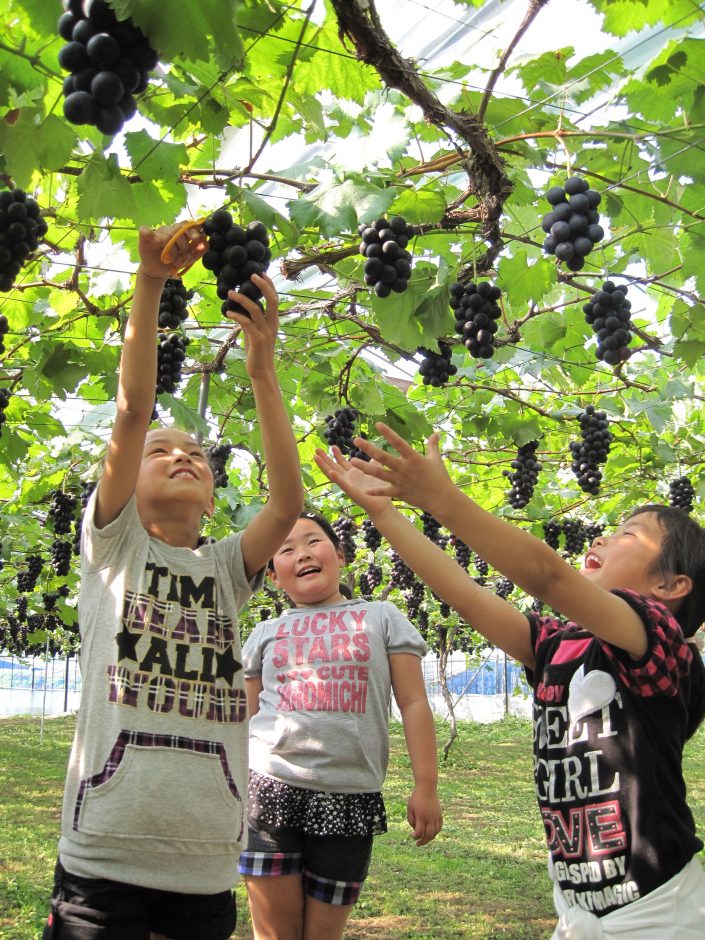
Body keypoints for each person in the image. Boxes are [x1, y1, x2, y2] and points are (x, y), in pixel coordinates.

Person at [315, 425, 705, 940]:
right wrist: (384, 515)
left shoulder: (659, 642)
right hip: (575, 905)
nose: (602, 538)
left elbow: (549, 578)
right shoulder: (558, 645)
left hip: (657, 909)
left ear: (669, 586)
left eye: (628, 534)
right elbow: (465, 593)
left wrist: (443, 500)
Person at [44, 223, 304, 940]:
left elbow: (287, 505)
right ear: (129, 478)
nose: (181, 455)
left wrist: (262, 370)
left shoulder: (227, 569)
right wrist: (150, 282)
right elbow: (132, 410)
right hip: (104, 852)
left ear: (216, 496)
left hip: (206, 859)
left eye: (195, 452)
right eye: (161, 451)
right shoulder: (114, 545)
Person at [238, 510, 443, 940]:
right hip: (268, 785)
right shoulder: (263, 632)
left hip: (350, 796)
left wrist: (426, 785)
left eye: (313, 541)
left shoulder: (383, 617)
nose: (302, 554)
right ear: (273, 576)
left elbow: (413, 703)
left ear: (341, 555)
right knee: (275, 935)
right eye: (286, 549)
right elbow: (244, 718)